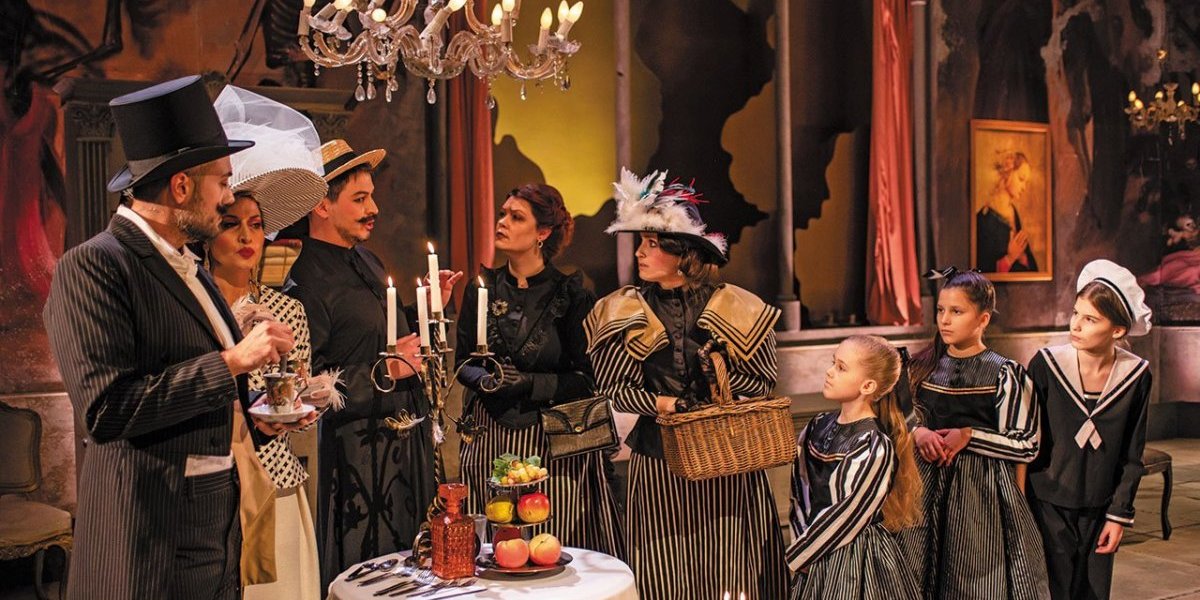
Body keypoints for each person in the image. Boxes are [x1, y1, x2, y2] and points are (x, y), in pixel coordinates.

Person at [43, 76, 299, 599]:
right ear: (181, 187)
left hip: (214, 545)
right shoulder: (95, 265)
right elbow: (107, 411)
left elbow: (194, 400)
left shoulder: (190, 267)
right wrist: (232, 362)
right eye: (222, 182)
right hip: (149, 549)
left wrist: (259, 419)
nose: (228, 197)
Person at [585, 169, 787, 599]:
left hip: (726, 460)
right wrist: (664, 403)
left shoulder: (737, 306)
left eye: (652, 244)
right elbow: (614, 388)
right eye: (641, 242)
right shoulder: (626, 309)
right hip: (658, 459)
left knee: (728, 569)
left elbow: (762, 381)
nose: (640, 252)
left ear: (684, 253)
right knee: (663, 572)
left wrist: (719, 387)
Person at [285, 139, 461, 587]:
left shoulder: (367, 259)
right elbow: (308, 382)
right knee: (369, 577)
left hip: (404, 445)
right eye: (360, 199)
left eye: (372, 197)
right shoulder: (303, 276)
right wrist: (384, 372)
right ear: (322, 205)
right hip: (357, 460)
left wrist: (429, 306)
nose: (374, 209)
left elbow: (389, 340)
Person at [209, 86, 341, 600]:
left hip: (278, 475)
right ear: (208, 235)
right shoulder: (197, 309)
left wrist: (309, 402)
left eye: (257, 225)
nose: (247, 237)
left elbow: (298, 392)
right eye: (231, 225)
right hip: (216, 485)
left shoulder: (289, 309)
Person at [456, 183, 623, 557]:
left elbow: (587, 378)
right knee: (496, 547)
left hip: (549, 442)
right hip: (488, 436)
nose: (502, 222)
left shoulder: (571, 294)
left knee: (548, 545)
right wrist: (487, 380)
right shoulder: (481, 288)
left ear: (542, 233)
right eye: (502, 214)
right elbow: (463, 363)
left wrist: (529, 383)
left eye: (516, 217)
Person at [897, 267, 1049, 599]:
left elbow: (1026, 443)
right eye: (941, 310)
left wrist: (970, 435)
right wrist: (918, 433)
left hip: (979, 494)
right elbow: (898, 420)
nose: (944, 320)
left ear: (982, 319)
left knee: (972, 577)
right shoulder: (921, 367)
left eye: (957, 311)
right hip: (923, 486)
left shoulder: (1005, 373)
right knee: (917, 570)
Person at [1027, 260, 1154, 600]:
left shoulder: (1136, 376)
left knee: (1094, 592)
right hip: (1048, 503)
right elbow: (1026, 439)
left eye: (1091, 319)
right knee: (1052, 590)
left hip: (1100, 507)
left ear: (1118, 331)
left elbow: (1132, 453)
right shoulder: (1047, 365)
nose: (1076, 325)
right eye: (1076, 313)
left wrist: (1118, 514)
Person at [787, 335, 921, 600]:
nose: (829, 372)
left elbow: (850, 512)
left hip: (854, 556)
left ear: (868, 385)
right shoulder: (817, 425)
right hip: (813, 549)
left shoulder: (873, 444)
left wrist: (802, 554)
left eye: (841, 368)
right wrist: (800, 540)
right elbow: (800, 490)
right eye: (833, 363)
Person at [976, 150, 1039, 274]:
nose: (1024, 187)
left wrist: (1022, 257)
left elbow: (1032, 268)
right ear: (1008, 173)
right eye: (1021, 179)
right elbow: (983, 269)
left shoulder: (1013, 211)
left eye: (1026, 182)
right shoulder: (985, 218)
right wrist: (1010, 258)